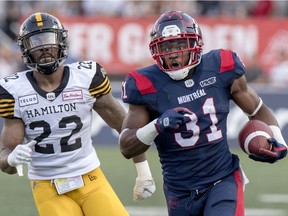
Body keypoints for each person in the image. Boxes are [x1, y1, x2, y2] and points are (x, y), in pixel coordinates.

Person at [119, 10, 287, 216]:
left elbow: (257, 109)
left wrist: (278, 140)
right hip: (178, 191)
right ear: (156, 49)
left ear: (195, 43)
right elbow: (126, 146)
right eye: (166, 46)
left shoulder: (220, 66)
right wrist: (156, 126)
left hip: (222, 179)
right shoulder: (144, 84)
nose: (173, 53)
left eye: (180, 45)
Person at [0, 12, 155, 216]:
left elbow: (126, 128)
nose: (44, 47)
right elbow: (5, 157)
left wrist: (143, 172)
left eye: (48, 39)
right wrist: (11, 160)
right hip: (47, 185)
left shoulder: (86, 77)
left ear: (61, 42)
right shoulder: (15, 90)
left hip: (90, 177)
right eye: (36, 41)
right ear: (25, 48)